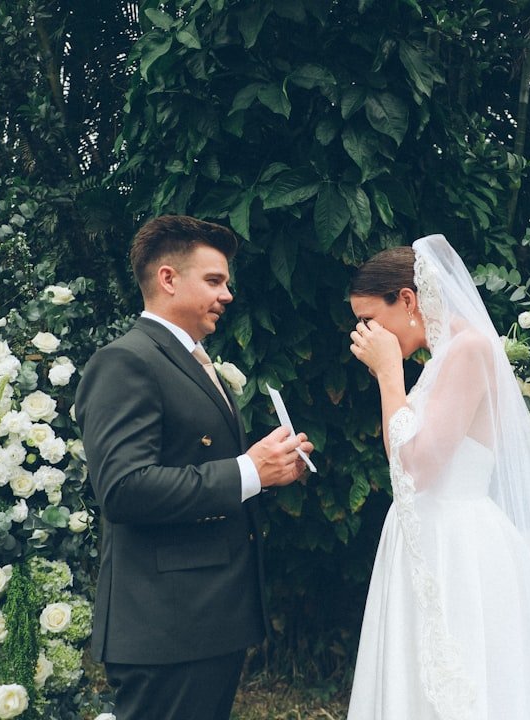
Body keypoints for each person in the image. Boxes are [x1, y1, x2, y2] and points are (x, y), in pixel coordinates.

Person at [345, 235, 530, 719]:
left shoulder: (469, 350)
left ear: (408, 300)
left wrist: (390, 375)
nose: (365, 333)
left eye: (370, 319)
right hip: (422, 537)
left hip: (458, 546)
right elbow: (399, 456)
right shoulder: (438, 362)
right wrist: (390, 380)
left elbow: (421, 466)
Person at [74, 215, 314, 720]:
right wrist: (248, 471)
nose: (227, 294)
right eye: (214, 280)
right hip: (168, 627)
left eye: (225, 282)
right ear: (167, 279)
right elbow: (123, 489)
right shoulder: (127, 361)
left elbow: (198, 467)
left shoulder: (193, 359)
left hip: (206, 619)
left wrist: (266, 472)